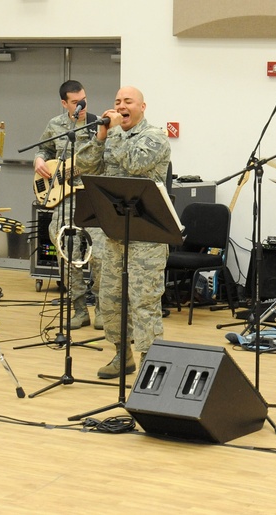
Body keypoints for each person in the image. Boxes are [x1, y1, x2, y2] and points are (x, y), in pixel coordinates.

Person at [76, 86, 171, 379]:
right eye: (116, 101)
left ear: (142, 106)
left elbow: (134, 163)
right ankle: (122, 355)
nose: (120, 106)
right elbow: (84, 165)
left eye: (127, 101)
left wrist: (115, 133)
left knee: (143, 301)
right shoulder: (111, 135)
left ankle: (149, 363)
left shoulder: (155, 136)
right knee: (111, 299)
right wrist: (101, 137)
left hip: (147, 237)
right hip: (114, 233)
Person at [33, 80, 105, 330]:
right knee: (67, 255)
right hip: (64, 200)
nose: (82, 105)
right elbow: (44, 148)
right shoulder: (56, 125)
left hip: (92, 198)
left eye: (84, 99)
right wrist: (39, 159)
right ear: (65, 103)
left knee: (100, 256)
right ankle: (78, 311)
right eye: (76, 102)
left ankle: (103, 310)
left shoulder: (97, 124)